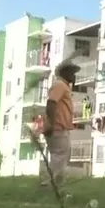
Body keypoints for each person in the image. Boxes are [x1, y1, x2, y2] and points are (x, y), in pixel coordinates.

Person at [40, 60, 79, 189]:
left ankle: (58, 186)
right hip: (57, 128)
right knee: (58, 157)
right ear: (65, 73)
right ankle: (46, 184)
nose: (74, 76)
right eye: (72, 73)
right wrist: (51, 123)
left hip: (61, 128)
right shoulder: (60, 85)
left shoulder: (63, 86)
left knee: (61, 158)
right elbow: (51, 103)